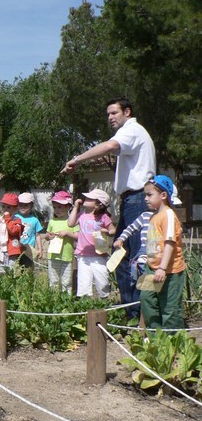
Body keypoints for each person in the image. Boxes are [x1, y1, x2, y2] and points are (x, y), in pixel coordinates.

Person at [61, 97, 155, 304]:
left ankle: (140, 311)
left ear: (127, 112)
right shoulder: (133, 131)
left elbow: (110, 145)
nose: (110, 117)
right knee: (121, 254)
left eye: (114, 113)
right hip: (132, 199)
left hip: (138, 199)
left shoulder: (132, 129)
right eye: (108, 114)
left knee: (134, 257)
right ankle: (132, 308)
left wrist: (77, 160)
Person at [138, 175, 186, 330]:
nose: (146, 198)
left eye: (149, 194)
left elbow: (170, 243)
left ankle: (172, 344)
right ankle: (156, 337)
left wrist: (162, 268)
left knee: (170, 309)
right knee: (146, 299)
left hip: (170, 271)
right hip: (151, 267)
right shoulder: (154, 216)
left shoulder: (169, 215)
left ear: (163, 195)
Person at [68, 189, 116, 298]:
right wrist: (75, 207)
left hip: (98, 255)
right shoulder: (81, 215)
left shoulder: (103, 217)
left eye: (90, 198)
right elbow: (70, 223)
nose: (86, 199)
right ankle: (85, 304)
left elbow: (113, 230)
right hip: (82, 255)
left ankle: (105, 301)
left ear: (98, 204)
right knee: (84, 282)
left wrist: (107, 232)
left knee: (102, 280)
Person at [44, 191, 79, 293]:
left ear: (68, 207)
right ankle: (54, 301)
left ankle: (66, 301)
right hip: (53, 255)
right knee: (53, 280)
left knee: (66, 281)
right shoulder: (52, 221)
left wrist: (68, 233)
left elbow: (77, 236)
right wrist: (48, 236)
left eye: (60, 207)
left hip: (66, 256)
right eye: (55, 207)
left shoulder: (72, 221)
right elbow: (46, 236)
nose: (57, 210)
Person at [0, 193, 24, 272]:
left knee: (10, 271)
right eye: (3, 206)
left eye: (8, 207)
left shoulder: (17, 220)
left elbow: (12, 231)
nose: (5, 209)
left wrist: (7, 218)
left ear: (15, 209)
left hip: (11, 250)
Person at [15, 192, 43, 269]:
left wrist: (40, 249)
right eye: (21, 205)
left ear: (31, 206)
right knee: (16, 269)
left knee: (29, 270)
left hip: (29, 250)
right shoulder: (14, 218)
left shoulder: (34, 220)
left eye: (26, 205)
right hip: (16, 248)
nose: (23, 207)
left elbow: (37, 235)